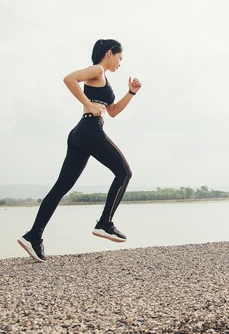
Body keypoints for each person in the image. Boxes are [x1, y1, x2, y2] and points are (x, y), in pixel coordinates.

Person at [17, 39, 141, 263]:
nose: (120, 63)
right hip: (90, 130)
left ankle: (33, 236)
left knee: (60, 188)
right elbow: (69, 79)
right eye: (120, 58)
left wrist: (131, 93)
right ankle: (105, 223)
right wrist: (89, 104)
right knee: (124, 173)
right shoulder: (97, 69)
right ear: (109, 53)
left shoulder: (102, 78)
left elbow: (112, 111)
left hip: (81, 133)